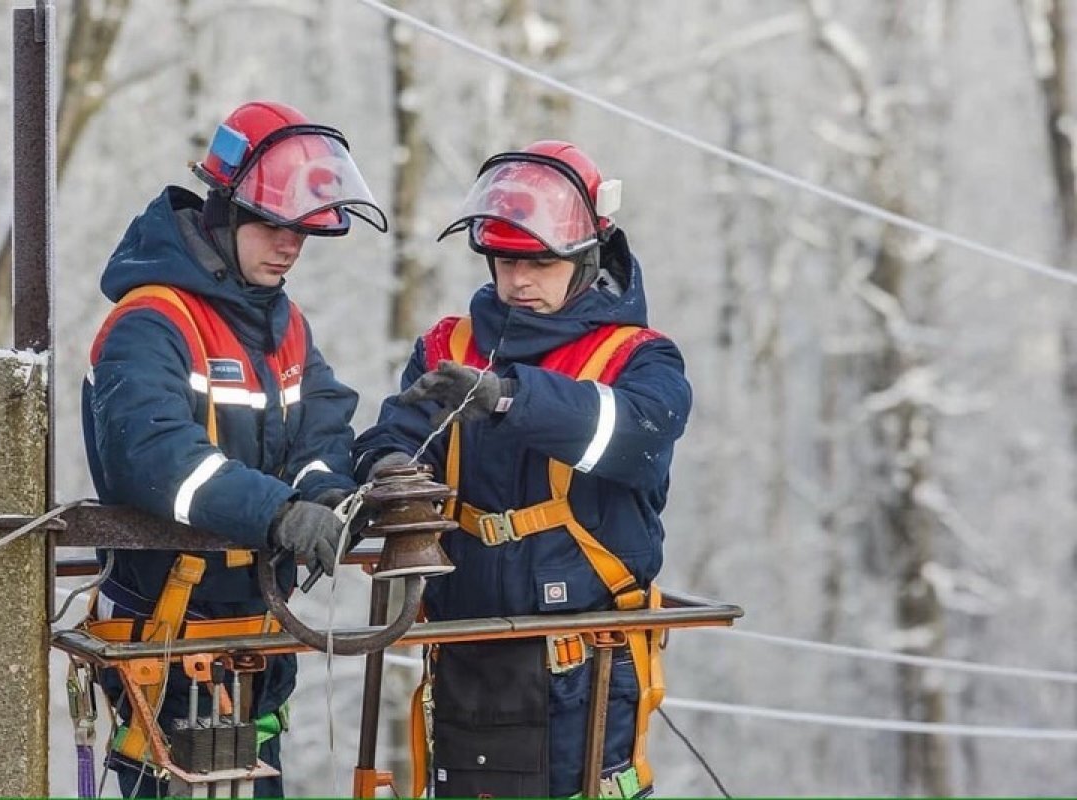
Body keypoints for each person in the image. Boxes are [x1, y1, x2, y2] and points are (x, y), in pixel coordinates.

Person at [354, 141, 692, 798]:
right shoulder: (447, 347)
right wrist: (388, 466)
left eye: (538, 262)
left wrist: (508, 397)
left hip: (587, 667)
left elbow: (632, 437)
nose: (518, 282)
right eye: (505, 262)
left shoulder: (641, 360)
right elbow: (397, 429)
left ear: (587, 258)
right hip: (465, 656)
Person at [81, 100, 386, 797]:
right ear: (225, 210)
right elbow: (158, 461)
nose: (291, 247)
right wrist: (281, 515)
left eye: (305, 234)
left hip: (256, 640)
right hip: (168, 642)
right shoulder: (150, 322)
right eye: (277, 226)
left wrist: (324, 492)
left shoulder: (281, 323)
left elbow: (322, 425)